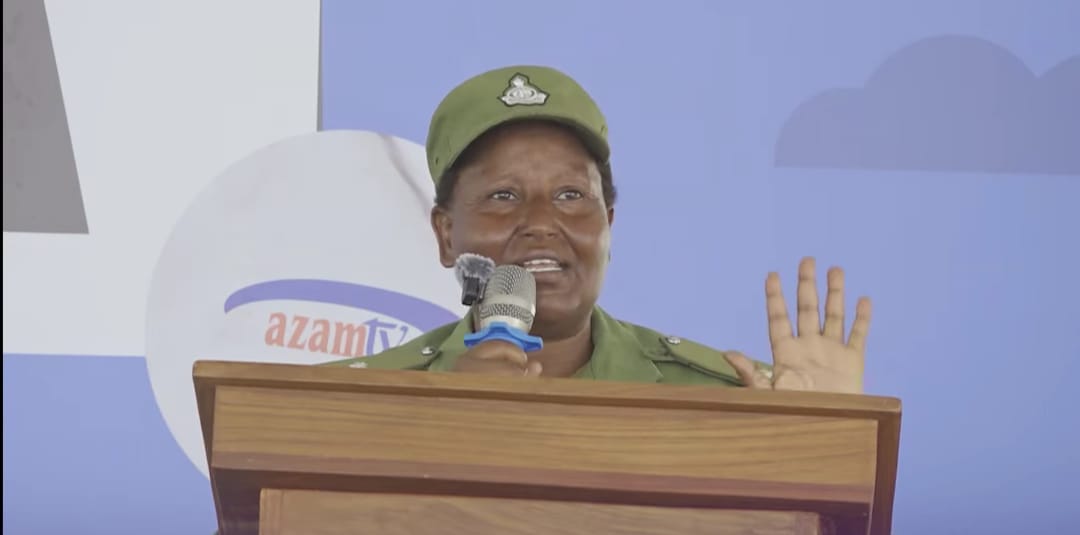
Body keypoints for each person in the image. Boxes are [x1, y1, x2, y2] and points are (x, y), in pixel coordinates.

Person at [325, 65, 872, 394]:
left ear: (607, 224)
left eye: (570, 195)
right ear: (446, 235)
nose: (541, 222)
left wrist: (830, 435)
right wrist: (444, 420)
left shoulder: (726, 399)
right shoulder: (358, 399)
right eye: (503, 196)